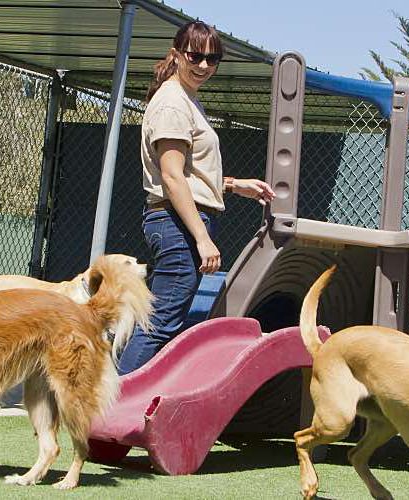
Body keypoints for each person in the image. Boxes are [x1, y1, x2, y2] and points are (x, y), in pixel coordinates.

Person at [116, 20, 275, 375]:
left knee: (159, 322)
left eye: (212, 59)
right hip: (177, 225)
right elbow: (172, 178)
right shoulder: (173, 103)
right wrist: (202, 239)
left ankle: (121, 408)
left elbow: (188, 174)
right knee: (160, 326)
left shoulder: (186, 99)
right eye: (195, 56)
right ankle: (113, 413)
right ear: (176, 54)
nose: (204, 65)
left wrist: (234, 185)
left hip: (179, 222)